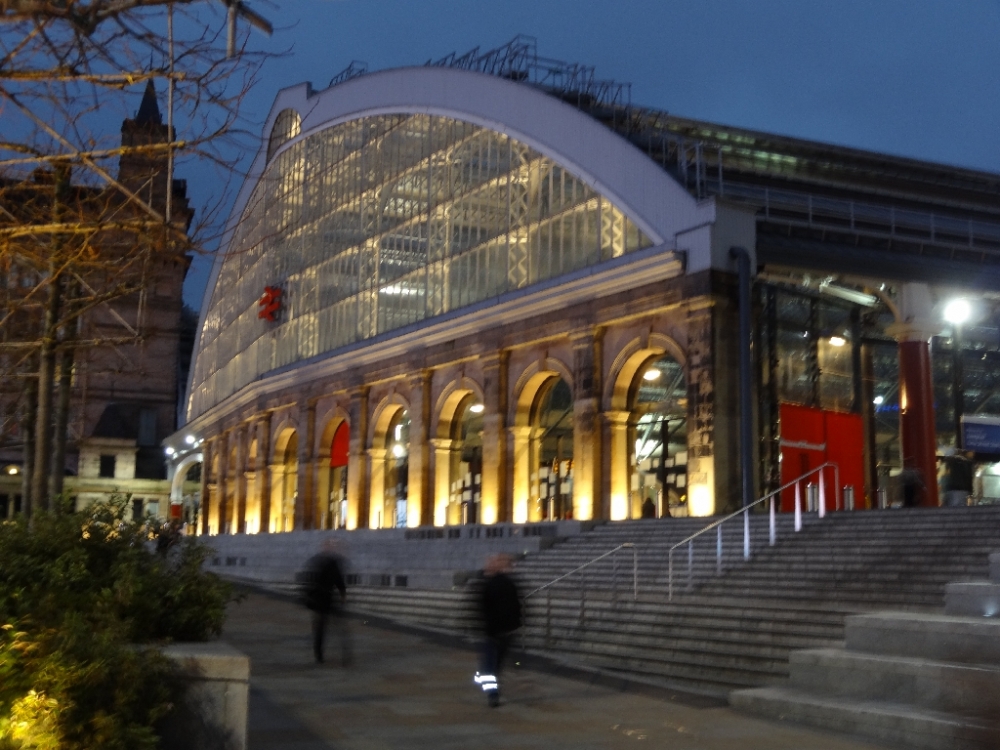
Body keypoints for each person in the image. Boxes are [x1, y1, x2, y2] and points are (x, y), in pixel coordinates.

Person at [475, 554, 522, 707]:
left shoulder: (489, 584)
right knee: (496, 665)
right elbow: (517, 607)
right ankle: (494, 691)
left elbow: (484, 608)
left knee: (489, 666)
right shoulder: (509, 583)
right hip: (506, 631)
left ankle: (493, 694)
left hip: (493, 632)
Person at [300, 538, 349, 665]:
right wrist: (342, 594)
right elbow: (337, 581)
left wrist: (342, 594)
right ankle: (322, 654)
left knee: (323, 628)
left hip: (324, 600)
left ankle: (324, 654)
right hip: (322, 600)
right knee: (323, 628)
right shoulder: (325, 562)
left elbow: (338, 581)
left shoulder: (324, 561)